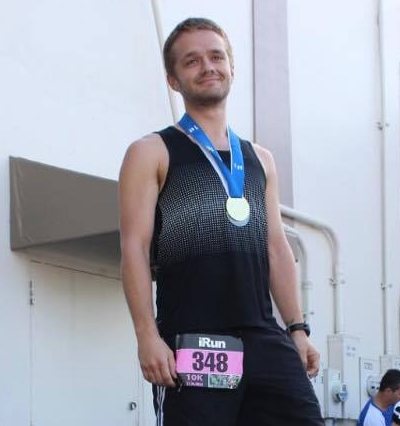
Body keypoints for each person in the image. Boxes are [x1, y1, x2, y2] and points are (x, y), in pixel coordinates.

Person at [118, 17, 324, 425]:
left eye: (216, 57)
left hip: (264, 337)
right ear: (173, 80)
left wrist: (298, 328)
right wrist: (147, 335)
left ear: (231, 67)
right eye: (192, 61)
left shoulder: (259, 159)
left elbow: (277, 248)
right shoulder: (152, 152)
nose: (208, 67)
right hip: (195, 340)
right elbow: (134, 248)